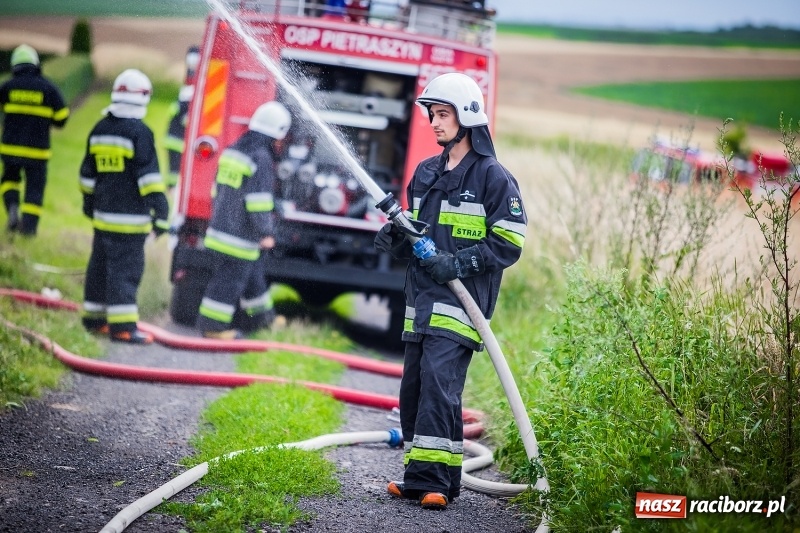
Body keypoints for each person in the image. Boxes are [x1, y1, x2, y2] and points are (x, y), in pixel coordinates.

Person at [374, 72, 527, 509]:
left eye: (443, 114)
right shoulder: (426, 172)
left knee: (440, 387)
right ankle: (419, 477)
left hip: (461, 305)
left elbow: (510, 241)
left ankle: (437, 483)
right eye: (432, 114)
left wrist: (457, 264)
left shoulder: (494, 178)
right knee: (415, 388)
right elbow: (417, 233)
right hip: (421, 303)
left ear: (467, 117)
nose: (435, 123)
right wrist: (394, 237)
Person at [79, 69, 170, 344]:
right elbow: (149, 180)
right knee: (124, 273)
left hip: (103, 218)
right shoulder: (140, 133)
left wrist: (89, 205)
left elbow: (87, 175)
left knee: (98, 268)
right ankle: (123, 328)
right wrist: (161, 213)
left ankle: (94, 320)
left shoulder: (99, 129)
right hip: (130, 223)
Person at [195, 101, 291, 340]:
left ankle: (264, 320)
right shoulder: (261, 158)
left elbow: (220, 191)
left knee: (253, 276)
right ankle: (213, 328)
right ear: (277, 134)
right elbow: (257, 202)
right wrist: (266, 232)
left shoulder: (233, 151)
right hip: (239, 238)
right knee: (228, 283)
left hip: (220, 229)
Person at [0, 44, 69, 235]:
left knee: (9, 180)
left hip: (10, 149)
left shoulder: (7, 86)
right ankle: (28, 230)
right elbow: (62, 117)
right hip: (38, 152)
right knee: (34, 189)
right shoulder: (48, 88)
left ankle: (12, 209)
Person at [163, 45, 200, 192]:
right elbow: (186, 120)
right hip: (178, 141)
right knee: (176, 172)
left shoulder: (183, 97)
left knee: (174, 171)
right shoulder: (188, 98)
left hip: (173, 138)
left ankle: (172, 190)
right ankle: (173, 190)